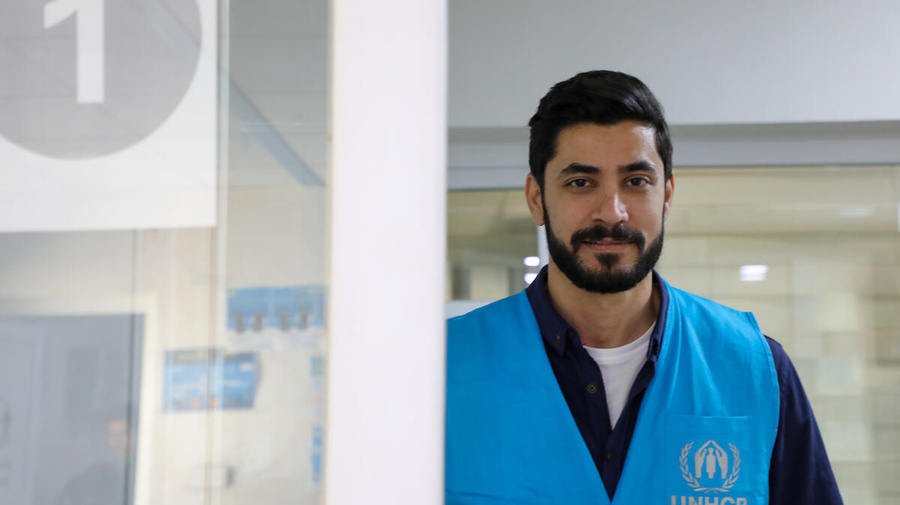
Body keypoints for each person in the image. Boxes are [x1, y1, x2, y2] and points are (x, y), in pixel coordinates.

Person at [445, 70, 842, 505]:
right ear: (537, 198)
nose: (612, 212)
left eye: (636, 181)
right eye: (581, 182)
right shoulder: (441, 369)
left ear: (666, 196)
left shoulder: (755, 367)